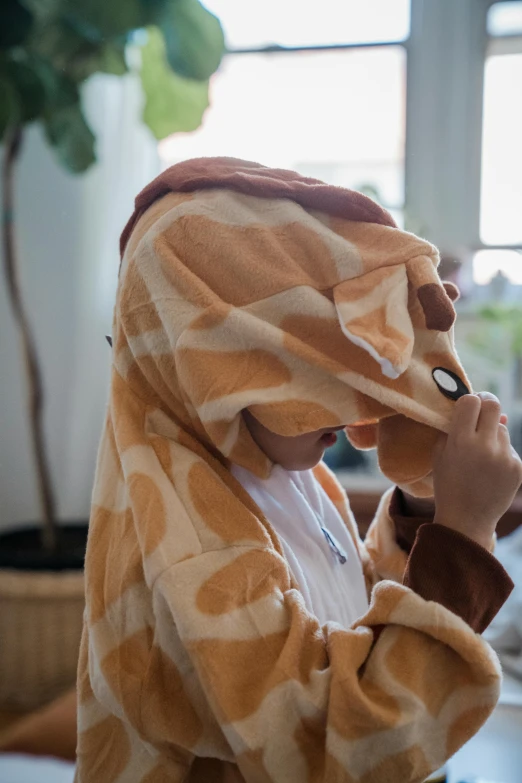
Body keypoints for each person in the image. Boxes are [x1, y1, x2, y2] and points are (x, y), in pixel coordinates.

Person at [75, 158, 521, 783]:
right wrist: (465, 536)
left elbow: (345, 605)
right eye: (313, 371)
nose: (351, 398)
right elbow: (330, 745)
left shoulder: (286, 470)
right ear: (219, 366)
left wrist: (425, 517)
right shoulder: (194, 545)